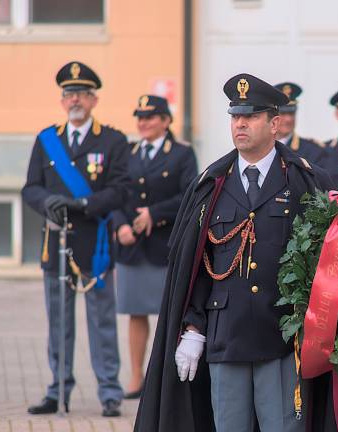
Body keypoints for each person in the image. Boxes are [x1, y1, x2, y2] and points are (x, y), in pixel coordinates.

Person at [134, 73, 338, 432]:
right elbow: (196, 264)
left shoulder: (306, 181)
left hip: (282, 339)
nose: (240, 124)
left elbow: (336, 258)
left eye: (251, 116)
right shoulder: (211, 184)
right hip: (224, 336)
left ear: (275, 123)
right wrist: (193, 328)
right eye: (235, 116)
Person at [22, 61, 128, 417]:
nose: (75, 100)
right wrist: (47, 202)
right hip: (56, 241)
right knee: (58, 322)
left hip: (94, 243)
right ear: (62, 101)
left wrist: (84, 203)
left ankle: (110, 392)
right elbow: (30, 188)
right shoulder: (46, 139)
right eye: (69, 94)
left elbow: (120, 189)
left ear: (94, 99)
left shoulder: (112, 140)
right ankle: (57, 388)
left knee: (102, 321)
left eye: (82, 93)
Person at [111, 95, 197, 399]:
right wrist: (120, 224)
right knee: (135, 312)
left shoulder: (182, 154)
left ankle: (163, 380)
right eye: (140, 117)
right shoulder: (128, 152)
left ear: (166, 120)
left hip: (165, 246)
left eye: (150, 117)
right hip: (132, 248)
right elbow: (116, 193)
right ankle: (136, 376)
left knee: (168, 315)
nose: (143, 123)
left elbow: (190, 194)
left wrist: (154, 214)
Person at [273, 82, 328, 165]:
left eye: (292, 113)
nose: (289, 119)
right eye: (283, 113)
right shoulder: (260, 147)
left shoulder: (313, 151)